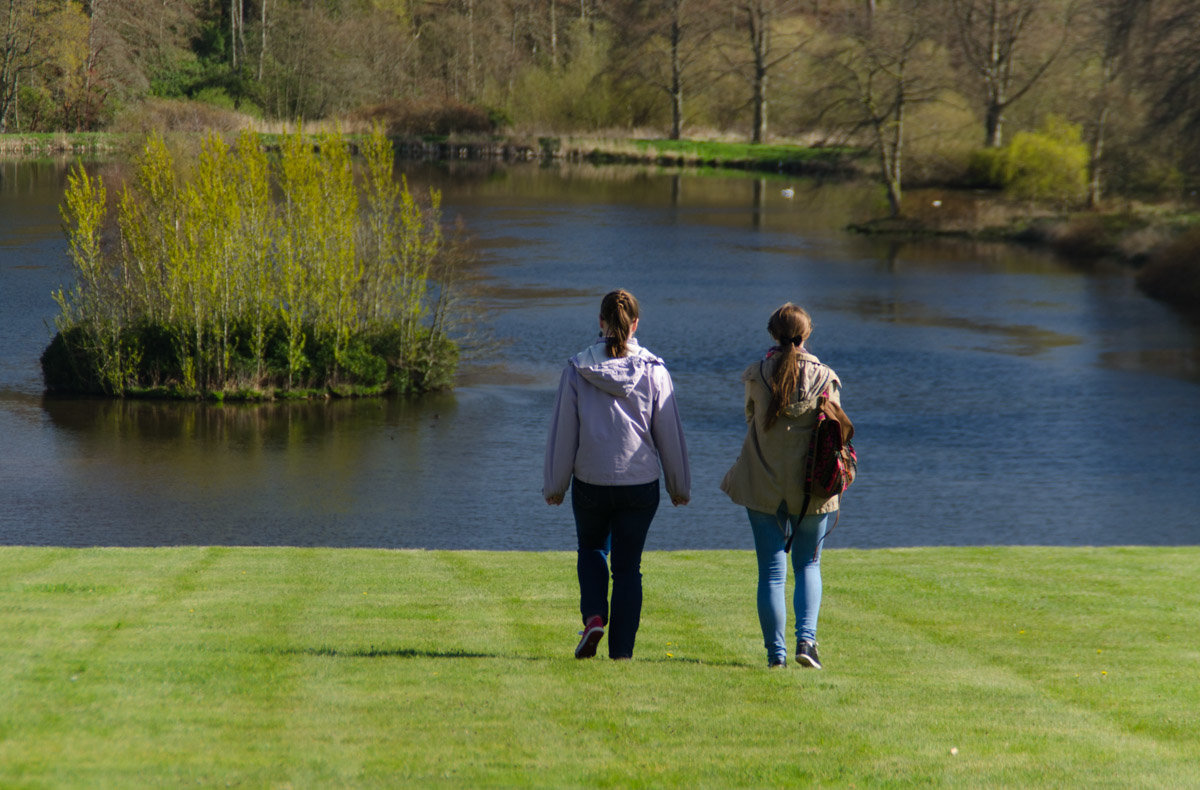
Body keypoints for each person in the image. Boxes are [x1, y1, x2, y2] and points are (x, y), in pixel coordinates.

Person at [544, 289, 691, 660]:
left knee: (592, 549)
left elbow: (564, 433)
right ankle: (622, 653)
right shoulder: (654, 370)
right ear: (635, 324)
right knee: (628, 570)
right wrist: (679, 485)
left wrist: (555, 485)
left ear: (600, 322)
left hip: (590, 481)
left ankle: (594, 618)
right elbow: (668, 433)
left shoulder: (577, 368)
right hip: (640, 483)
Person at [721, 303, 843, 669]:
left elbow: (748, 419)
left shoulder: (756, 374)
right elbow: (836, 432)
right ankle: (806, 642)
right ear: (806, 335)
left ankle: (777, 657)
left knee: (772, 573)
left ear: (773, 333)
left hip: (762, 485)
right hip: (813, 491)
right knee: (808, 565)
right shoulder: (826, 378)